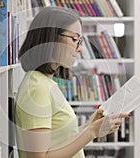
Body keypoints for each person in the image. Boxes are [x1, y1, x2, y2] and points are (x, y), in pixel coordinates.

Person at [15, 7, 130, 158]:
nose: (80, 48)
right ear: (52, 38)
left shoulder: (44, 83)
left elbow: (58, 141)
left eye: (79, 41)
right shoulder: (37, 88)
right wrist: (92, 131)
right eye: (75, 39)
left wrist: (91, 125)